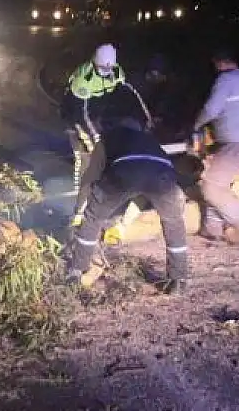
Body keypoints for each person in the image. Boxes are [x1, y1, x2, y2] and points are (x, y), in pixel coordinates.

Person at [67, 116, 188, 294]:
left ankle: (77, 272)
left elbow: (91, 176)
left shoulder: (108, 138)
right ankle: (178, 280)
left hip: (125, 172)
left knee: (93, 217)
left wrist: (78, 211)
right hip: (164, 176)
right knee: (173, 222)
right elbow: (145, 187)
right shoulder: (150, 140)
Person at [60, 44, 153, 225]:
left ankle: (104, 193)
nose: (106, 71)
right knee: (86, 158)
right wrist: (94, 137)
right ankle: (80, 206)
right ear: (95, 63)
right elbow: (82, 113)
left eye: (108, 68)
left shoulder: (116, 72)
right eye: (102, 68)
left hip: (100, 114)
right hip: (76, 114)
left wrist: (147, 119)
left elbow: (132, 95)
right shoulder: (83, 80)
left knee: (108, 153)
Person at [192, 47, 239, 244]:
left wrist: (196, 124)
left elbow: (211, 109)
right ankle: (212, 228)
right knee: (217, 180)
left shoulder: (226, 81)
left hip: (235, 145)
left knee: (211, 186)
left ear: (219, 63)